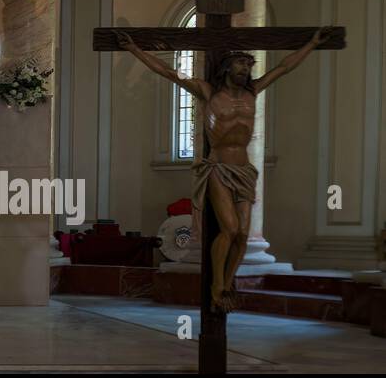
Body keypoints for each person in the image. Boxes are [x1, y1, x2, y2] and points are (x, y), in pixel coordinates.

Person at [117, 26, 332, 311]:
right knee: (229, 228)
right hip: (218, 168)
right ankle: (217, 284)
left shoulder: (253, 91)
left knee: (243, 233)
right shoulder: (207, 91)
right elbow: (169, 73)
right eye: (241, 62)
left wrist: (313, 44)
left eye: (249, 64)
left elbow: (284, 67)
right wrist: (134, 49)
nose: (246, 68)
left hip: (244, 170)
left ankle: (228, 282)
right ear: (227, 66)